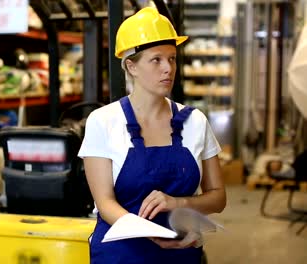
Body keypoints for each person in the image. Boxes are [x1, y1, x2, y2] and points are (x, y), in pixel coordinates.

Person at [78, 6, 226, 264]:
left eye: (172, 58)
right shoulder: (103, 122)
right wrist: (147, 233)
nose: (168, 68)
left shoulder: (195, 121)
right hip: (122, 255)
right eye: (156, 59)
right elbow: (105, 203)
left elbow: (218, 197)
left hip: (181, 253)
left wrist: (177, 203)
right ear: (131, 66)